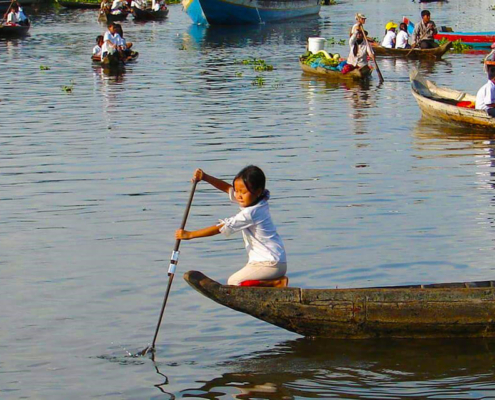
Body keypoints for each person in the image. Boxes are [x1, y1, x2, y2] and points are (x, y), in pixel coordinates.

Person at [175, 166, 288, 287]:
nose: (238, 195)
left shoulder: (251, 213)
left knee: (234, 283)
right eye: (237, 191)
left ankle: (276, 282)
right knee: (237, 283)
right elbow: (227, 188)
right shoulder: (257, 199)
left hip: (270, 264)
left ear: (258, 191)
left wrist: (190, 235)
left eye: (243, 192)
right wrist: (205, 177)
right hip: (271, 262)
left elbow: (221, 227)